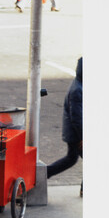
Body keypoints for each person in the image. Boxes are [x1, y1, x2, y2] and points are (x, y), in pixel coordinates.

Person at [46, 57, 83, 188]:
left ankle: (46, 172)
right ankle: (45, 172)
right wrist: (82, 138)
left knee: (71, 159)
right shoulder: (77, 90)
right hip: (75, 134)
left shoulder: (79, 85)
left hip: (75, 132)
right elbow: (77, 118)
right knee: (71, 159)